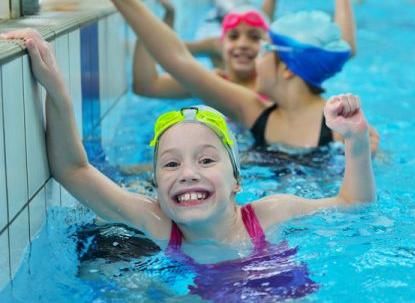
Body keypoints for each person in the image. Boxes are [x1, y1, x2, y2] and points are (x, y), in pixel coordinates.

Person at [2, 28, 375, 300]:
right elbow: (74, 171)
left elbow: (352, 206)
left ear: (237, 181)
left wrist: (355, 139)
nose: (188, 173)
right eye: (170, 165)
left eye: (207, 159)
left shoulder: (269, 214)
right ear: (158, 188)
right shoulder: (158, 224)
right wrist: (57, 90)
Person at [115, 0, 380, 152]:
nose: (257, 57)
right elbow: (177, 59)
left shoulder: (342, 132)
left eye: (265, 50)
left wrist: (361, 149)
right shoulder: (252, 109)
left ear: (287, 69)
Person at [133, 0, 277, 97]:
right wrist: (168, 16)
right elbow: (145, 86)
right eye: (233, 36)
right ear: (221, 44)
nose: (242, 44)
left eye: (254, 37)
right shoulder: (211, 84)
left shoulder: (277, 89)